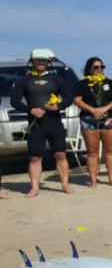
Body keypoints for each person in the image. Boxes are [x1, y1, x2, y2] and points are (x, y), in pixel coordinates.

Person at [10, 48, 74, 197]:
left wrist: (59, 106)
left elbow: (69, 97)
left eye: (44, 60)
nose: (41, 62)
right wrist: (31, 109)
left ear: (48, 62)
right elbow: (14, 101)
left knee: (60, 155)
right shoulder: (23, 81)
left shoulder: (57, 79)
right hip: (36, 124)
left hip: (54, 123)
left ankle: (65, 185)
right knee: (35, 157)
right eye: (38, 60)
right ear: (31, 61)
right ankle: (34, 188)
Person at [72, 56, 112, 187]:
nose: (99, 69)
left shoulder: (110, 83)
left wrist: (104, 108)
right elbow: (77, 100)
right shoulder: (82, 84)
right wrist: (93, 110)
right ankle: (93, 180)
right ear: (89, 69)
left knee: (110, 150)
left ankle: (111, 178)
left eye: (101, 67)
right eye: (96, 67)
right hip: (89, 119)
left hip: (109, 118)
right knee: (92, 151)